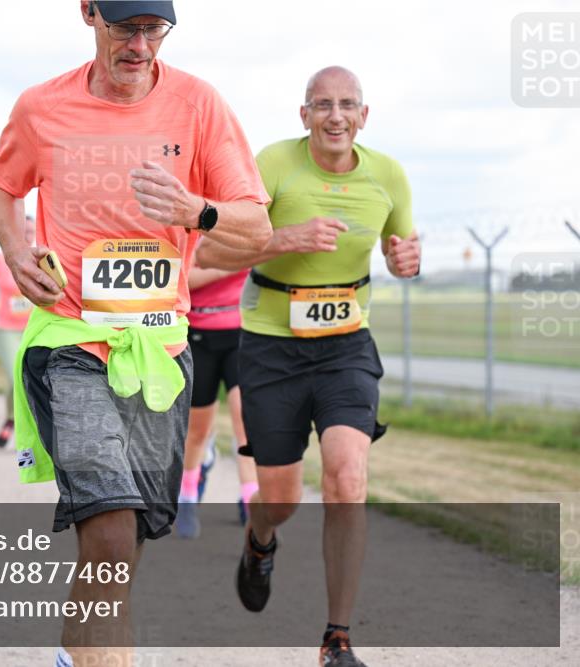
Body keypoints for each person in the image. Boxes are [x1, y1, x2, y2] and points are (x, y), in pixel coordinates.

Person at [0, 2, 272, 663]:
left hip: (161, 352)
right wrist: (16, 253)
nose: (140, 44)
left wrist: (197, 210)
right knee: (110, 530)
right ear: (88, 12)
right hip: (71, 341)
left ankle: (75, 654)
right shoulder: (41, 108)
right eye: (124, 27)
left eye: (154, 28)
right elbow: (2, 191)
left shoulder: (200, 106)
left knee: (129, 537)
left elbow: (255, 226)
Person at [198, 65, 422, 667]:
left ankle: (337, 638)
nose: (335, 116)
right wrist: (283, 238)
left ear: (364, 116)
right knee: (284, 499)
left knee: (348, 481)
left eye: (348, 104)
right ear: (304, 115)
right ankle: (259, 540)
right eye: (322, 104)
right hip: (272, 347)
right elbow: (210, 247)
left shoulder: (389, 175)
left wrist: (407, 261)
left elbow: (404, 254)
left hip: (348, 345)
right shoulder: (272, 163)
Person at [173, 247, 258, 539]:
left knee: (246, 425)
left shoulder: (246, 221)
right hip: (198, 334)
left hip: (241, 335)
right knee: (198, 432)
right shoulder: (192, 224)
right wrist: (234, 262)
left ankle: (253, 507)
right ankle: (187, 498)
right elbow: (182, 279)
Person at [0, 214, 37, 448]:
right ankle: (23, 428)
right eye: (23, 231)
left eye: (31, 231)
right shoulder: (0, 259)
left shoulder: (43, 259)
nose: (27, 235)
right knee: (16, 375)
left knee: (22, 378)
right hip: (7, 329)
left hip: (34, 329)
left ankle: (10, 420)